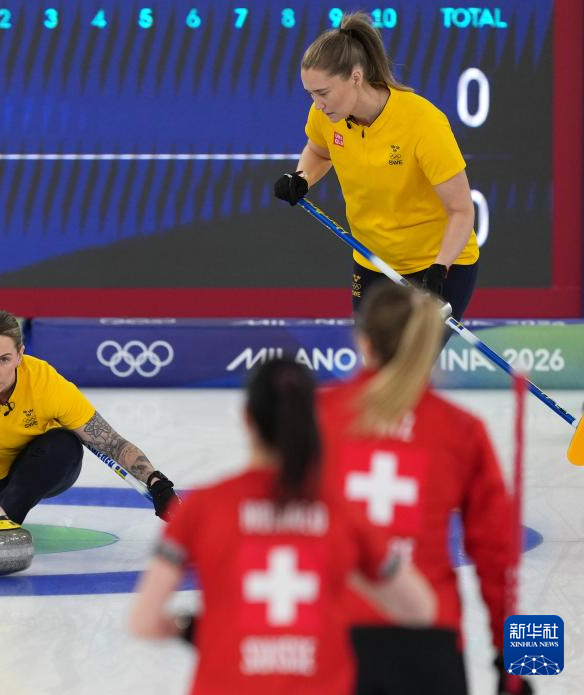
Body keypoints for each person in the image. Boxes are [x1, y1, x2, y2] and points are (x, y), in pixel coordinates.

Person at [128, 357, 436, 695]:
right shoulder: (343, 512)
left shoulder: (203, 507)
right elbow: (419, 609)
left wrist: (191, 628)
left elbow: (144, 620)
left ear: (247, 419)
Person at [318, 282, 529, 695]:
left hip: (330, 638)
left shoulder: (319, 416)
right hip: (430, 643)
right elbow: (496, 553)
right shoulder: (460, 430)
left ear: (363, 342)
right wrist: (509, 659)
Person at [274, 11, 478, 323]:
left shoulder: (423, 123)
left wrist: (440, 267)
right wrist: (301, 178)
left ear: (356, 77)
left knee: (409, 356)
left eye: (323, 93)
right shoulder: (326, 115)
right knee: (374, 355)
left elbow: (461, 210)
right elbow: (318, 151)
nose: (317, 103)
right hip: (373, 262)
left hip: (438, 265)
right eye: (311, 94)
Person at [0, 309, 179, 525]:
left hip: (27, 471)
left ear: (20, 355)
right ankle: (0, 518)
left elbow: (111, 442)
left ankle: (6, 519)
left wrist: (156, 481)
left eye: (4, 359)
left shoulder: (45, 383)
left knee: (64, 444)